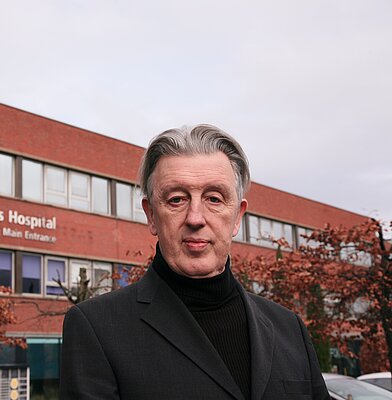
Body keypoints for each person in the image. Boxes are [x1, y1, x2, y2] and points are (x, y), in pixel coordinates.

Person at [59, 125, 330, 400]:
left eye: (214, 198)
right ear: (151, 215)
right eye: (176, 199)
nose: (196, 218)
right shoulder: (96, 329)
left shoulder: (289, 328)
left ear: (238, 216)